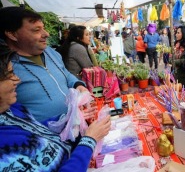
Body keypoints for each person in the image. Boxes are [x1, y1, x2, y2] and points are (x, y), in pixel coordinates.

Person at [0, 43, 111, 171]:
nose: (17, 80)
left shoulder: (12, 110)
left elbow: (36, 130)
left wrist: (68, 119)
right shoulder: (5, 154)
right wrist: (89, 140)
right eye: (9, 74)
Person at [0, 7, 95, 122]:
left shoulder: (50, 52)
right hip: (44, 137)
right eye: (36, 30)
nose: (46, 34)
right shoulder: (5, 68)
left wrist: (78, 85)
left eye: (43, 28)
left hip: (75, 126)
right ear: (12, 34)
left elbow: (65, 74)